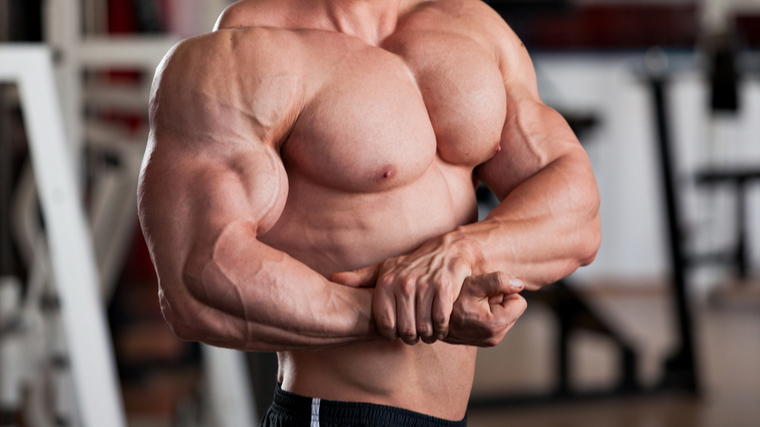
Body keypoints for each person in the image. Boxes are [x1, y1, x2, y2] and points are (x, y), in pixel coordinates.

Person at [137, 0, 601, 425]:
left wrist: (463, 253)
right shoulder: (241, 51)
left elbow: (577, 211)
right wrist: (399, 310)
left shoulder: (474, 25)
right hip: (335, 413)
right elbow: (195, 279)